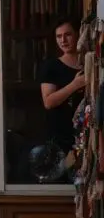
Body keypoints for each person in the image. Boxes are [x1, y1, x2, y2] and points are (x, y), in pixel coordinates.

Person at [39, 19, 85, 156]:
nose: (63, 40)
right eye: (59, 36)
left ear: (78, 34)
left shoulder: (88, 62)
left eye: (68, 35)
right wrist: (75, 84)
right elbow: (48, 102)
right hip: (61, 140)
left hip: (87, 135)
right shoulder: (51, 66)